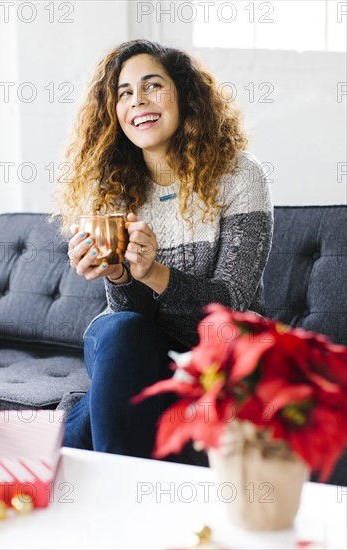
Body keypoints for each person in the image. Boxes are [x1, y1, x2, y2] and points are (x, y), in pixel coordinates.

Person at [53, 39, 273, 459]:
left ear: (184, 95)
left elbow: (234, 304)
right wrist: (118, 273)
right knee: (121, 329)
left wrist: (154, 272)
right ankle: (121, 488)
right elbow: (130, 313)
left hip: (217, 350)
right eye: (124, 93)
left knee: (111, 406)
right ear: (114, 112)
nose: (138, 101)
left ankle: (63, 450)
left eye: (153, 86)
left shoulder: (240, 176)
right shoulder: (115, 189)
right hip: (133, 343)